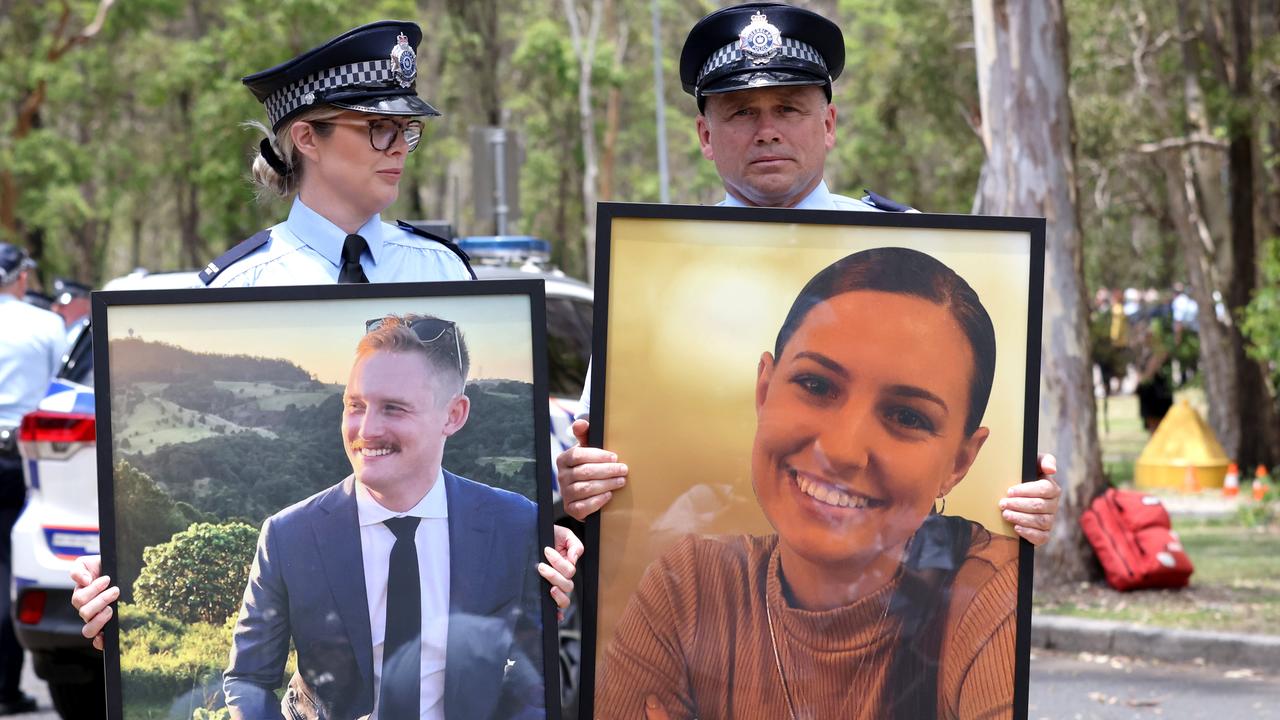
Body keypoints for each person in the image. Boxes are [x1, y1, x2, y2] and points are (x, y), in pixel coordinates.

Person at [70, 20, 582, 714]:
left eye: (407, 130)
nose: (399, 145)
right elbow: (246, 676)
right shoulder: (236, 291)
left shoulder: (447, 274)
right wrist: (118, 603)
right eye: (375, 127)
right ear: (305, 137)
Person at [557, 3, 1061, 544]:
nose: (767, 131)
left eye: (789, 108)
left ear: (828, 124)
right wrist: (582, 486)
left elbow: (994, 461)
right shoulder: (648, 269)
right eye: (741, 113)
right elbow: (604, 456)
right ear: (706, 136)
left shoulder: (916, 248)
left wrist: (1023, 503)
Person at [598, 247, 1019, 719]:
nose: (841, 451)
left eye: (906, 416)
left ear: (959, 463)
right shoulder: (691, 588)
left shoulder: (990, 598)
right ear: (764, 390)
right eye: (817, 385)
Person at [0, 242, 66, 715]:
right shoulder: (45, 324)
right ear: (21, 278)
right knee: (14, 564)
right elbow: (59, 392)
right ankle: (7, 686)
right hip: (21, 455)